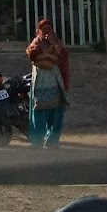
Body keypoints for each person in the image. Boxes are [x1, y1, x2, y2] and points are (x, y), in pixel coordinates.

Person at [25, 19, 70, 147]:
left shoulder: (57, 43)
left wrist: (53, 44)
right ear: (38, 31)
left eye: (49, 29)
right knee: (39, 111)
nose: (46, 32)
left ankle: (52, 141)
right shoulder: (36, 43)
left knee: (56, 114)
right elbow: (33, 55)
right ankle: (37, 141)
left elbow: (62, 57)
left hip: (56, 82)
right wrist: (49, 56)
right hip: (41, 83)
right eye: (43, 29)